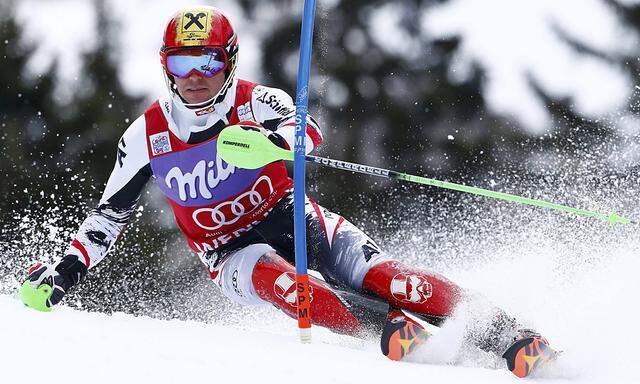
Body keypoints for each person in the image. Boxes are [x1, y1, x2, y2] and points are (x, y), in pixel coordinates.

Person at [23, 5, 556, 378]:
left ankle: (509, 333)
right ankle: (390, 329)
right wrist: (65, 272)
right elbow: (108, 217)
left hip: (291, 213)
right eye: (182, 63)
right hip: (229, 252)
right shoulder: (146, 136)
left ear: (229, 61)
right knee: (289, 286)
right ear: (166, 67)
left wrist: (270, 140)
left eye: (208, 61)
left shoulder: (257, 101)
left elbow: (308, 132)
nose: (196, 76)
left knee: (388, 278)